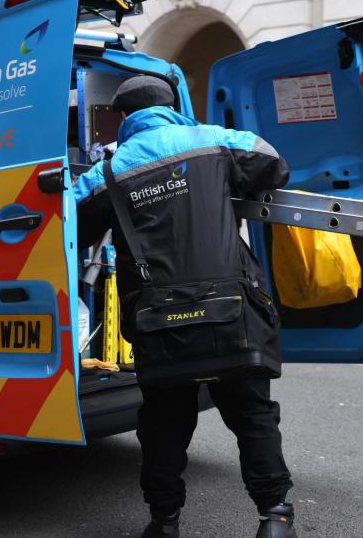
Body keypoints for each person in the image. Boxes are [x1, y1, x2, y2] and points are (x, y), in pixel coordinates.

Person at [72, 76, 296, 538]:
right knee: (253, 416)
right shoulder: (214, 140)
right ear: (170, 105)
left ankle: (165, 521)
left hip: (161, 325)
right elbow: (275, 165)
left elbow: (68, 226)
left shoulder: (107, 172)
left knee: (164, 423)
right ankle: (275, 518)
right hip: (233, 313)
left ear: (125, 116)